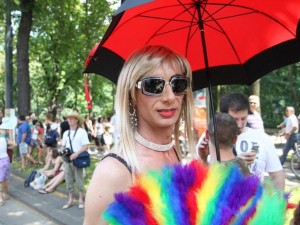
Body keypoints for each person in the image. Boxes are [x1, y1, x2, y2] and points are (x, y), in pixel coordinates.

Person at [84, 45, 194, 225]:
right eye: (153, 85)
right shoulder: (114, 172)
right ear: (132, 96)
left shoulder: (173, 152)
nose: (169, 97)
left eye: (178, 84)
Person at [220, 93, 285, 190]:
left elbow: (277, 176)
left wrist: (278, 202)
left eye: (244, 118)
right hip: (223, 201)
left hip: (256, 201)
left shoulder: (262, 138)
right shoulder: (213, 138)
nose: (239, 124)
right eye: (235, 119)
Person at [60, 111, 89, 210]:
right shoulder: (66, 133)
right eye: (68, 118)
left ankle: (81, 200)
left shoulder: (82, 132)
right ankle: (70, 200)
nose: (69, 120)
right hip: (67, 160)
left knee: (79, 180)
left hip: (78, 159)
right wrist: (62, 151)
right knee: (68, 180)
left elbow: (86, 146)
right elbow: (63, 146)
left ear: (77, 120)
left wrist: (76, 153)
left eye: (72, 118)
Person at [0, 119, 16, 206]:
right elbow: (14, 144)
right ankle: (4, 195)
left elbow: (14, 145)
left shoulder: (4, 139)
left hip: (2, 160)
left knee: (2, 179)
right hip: (5, 159)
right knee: (4, 178)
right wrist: (8, 147)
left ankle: (1, 198)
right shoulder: (4, 139)